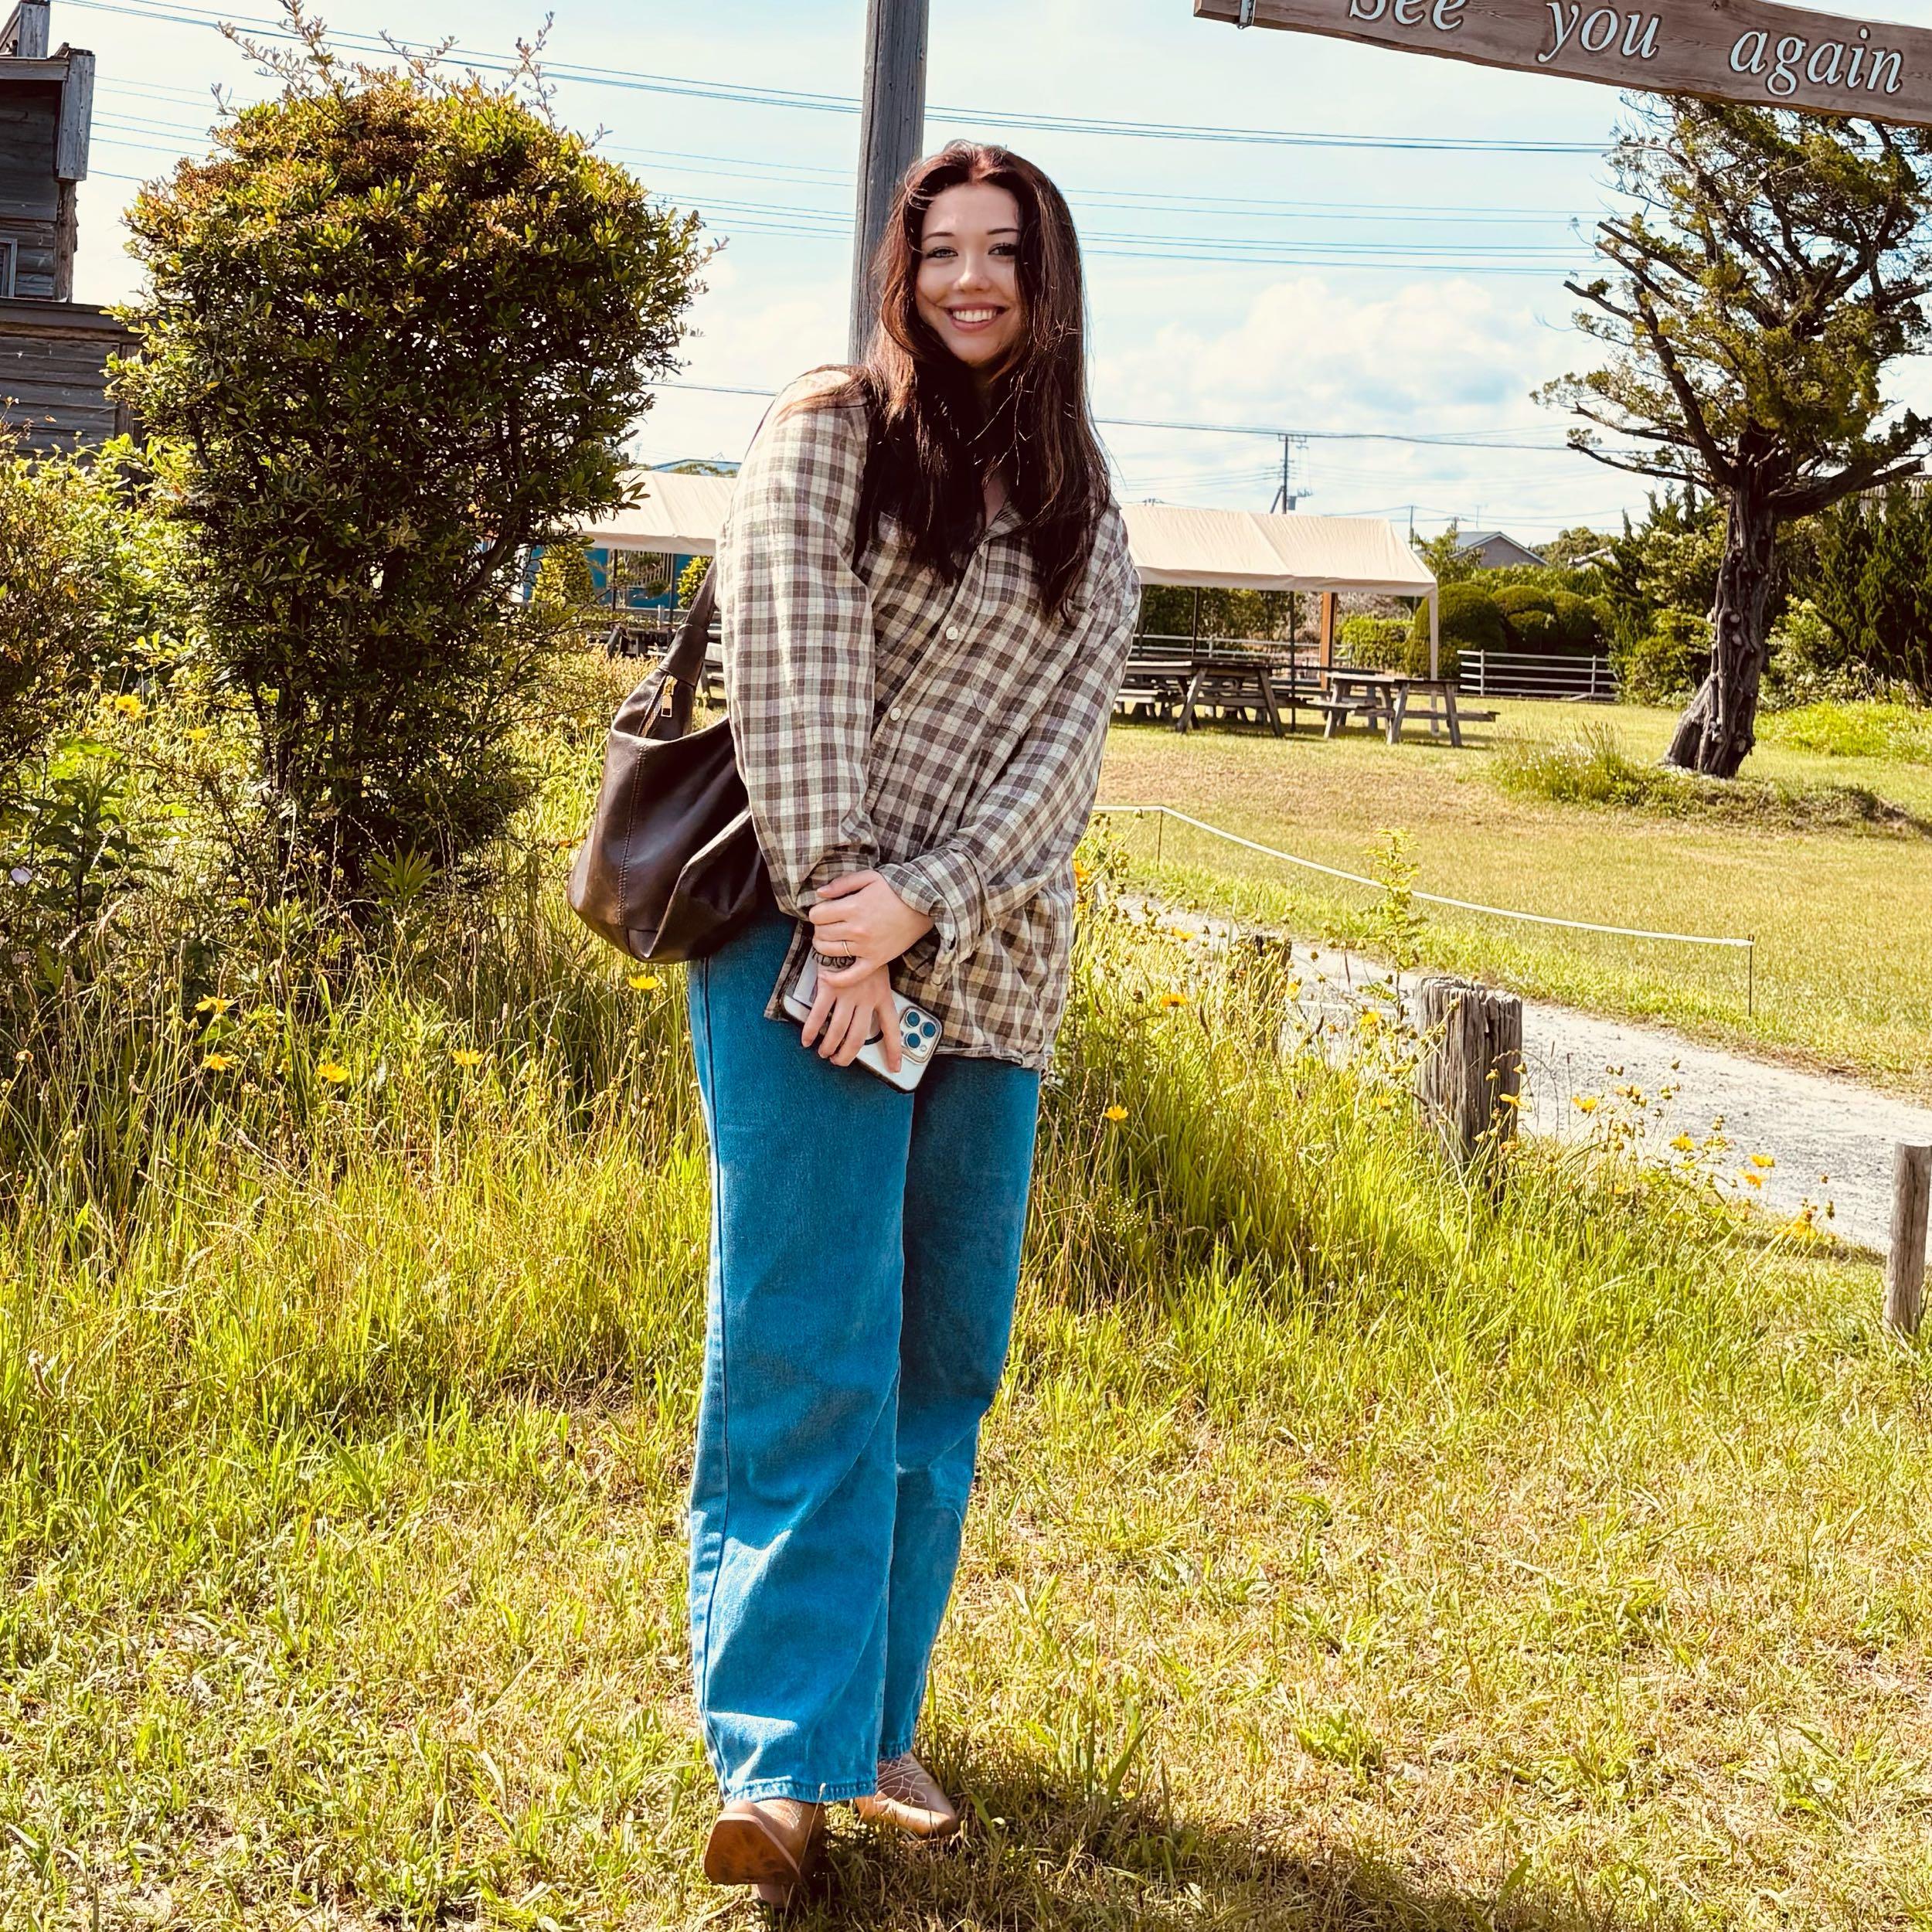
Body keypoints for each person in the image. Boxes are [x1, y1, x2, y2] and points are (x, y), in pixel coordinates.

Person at [685, 139, 1140, 1909]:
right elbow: (783, 677)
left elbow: (1062, 773)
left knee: (942, 1360)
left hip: (994, 968)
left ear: (1047, 276)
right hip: (802, 956)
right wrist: (846, 912)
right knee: (809, 1341)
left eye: (999, 251)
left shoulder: (1089, 512)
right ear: (901, 270)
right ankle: (775, 1762)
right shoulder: (829, 429)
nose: (968, 279)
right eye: (938, 249)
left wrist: (929, 901)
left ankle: (869, 1720)